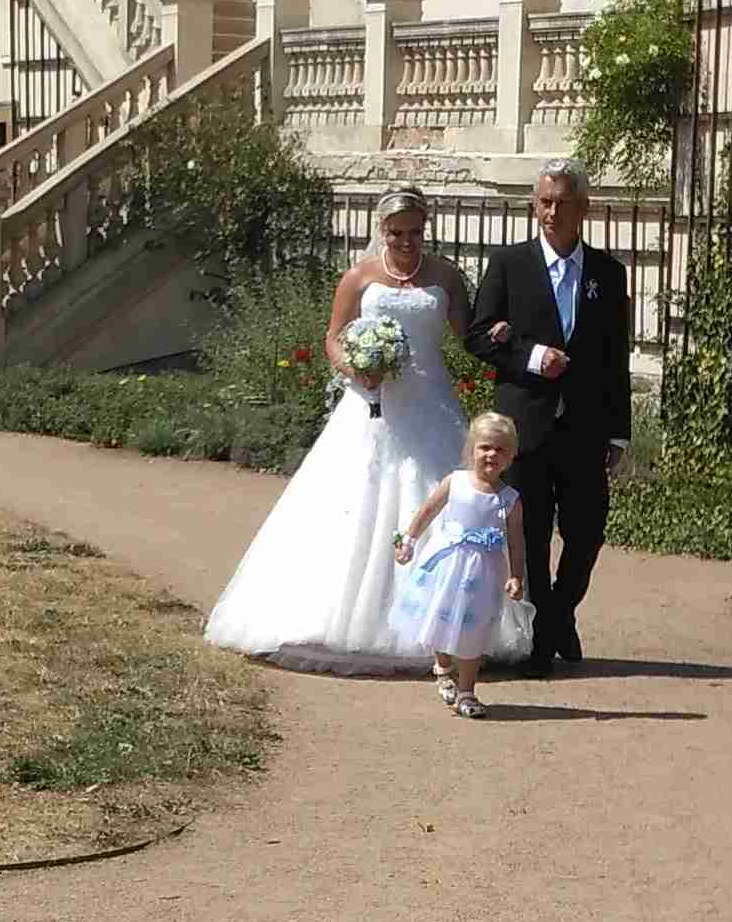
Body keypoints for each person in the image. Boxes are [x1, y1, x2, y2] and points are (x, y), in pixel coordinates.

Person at [203, 189, 533, 675]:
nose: (406, 241)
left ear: (426, 229)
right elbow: (333, 338)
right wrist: (356, 368)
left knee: (443, 499)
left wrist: (500, 333)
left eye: (415, 232)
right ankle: (349, 618)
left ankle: (450, 626)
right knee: (359, 500)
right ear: (382, 231)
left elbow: (467, 334)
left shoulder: (445, 276)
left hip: (430, 401)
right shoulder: (359, 277)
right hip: (373, 406)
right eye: (396, 233)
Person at [467, 163, 636, 675]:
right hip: (526, 425)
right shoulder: (509, 264)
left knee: (587, 532)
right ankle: (542, 636)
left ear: (583, 208)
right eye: (543, 202)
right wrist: (530, 356)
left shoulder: (609, 273)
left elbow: (616, 357)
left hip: (585, 426)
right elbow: (477, 336)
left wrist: (619, 432)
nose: (551, 212)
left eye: (561, 203)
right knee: (533, 534)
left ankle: (561, 612)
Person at [390, 413, 529, 718]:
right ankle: (442, 668)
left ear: (510, 457)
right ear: (472, 449)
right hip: (447, 565)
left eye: (501, 450)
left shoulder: (509, 499)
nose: (491, 454)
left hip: (484, 574)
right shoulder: (455, 482)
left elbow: (516, 540)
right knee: (440, 619)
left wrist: (516, 575)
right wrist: (409, 540)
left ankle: (467, 691)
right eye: (485, 447)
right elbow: (427, 511)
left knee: (473, 633)